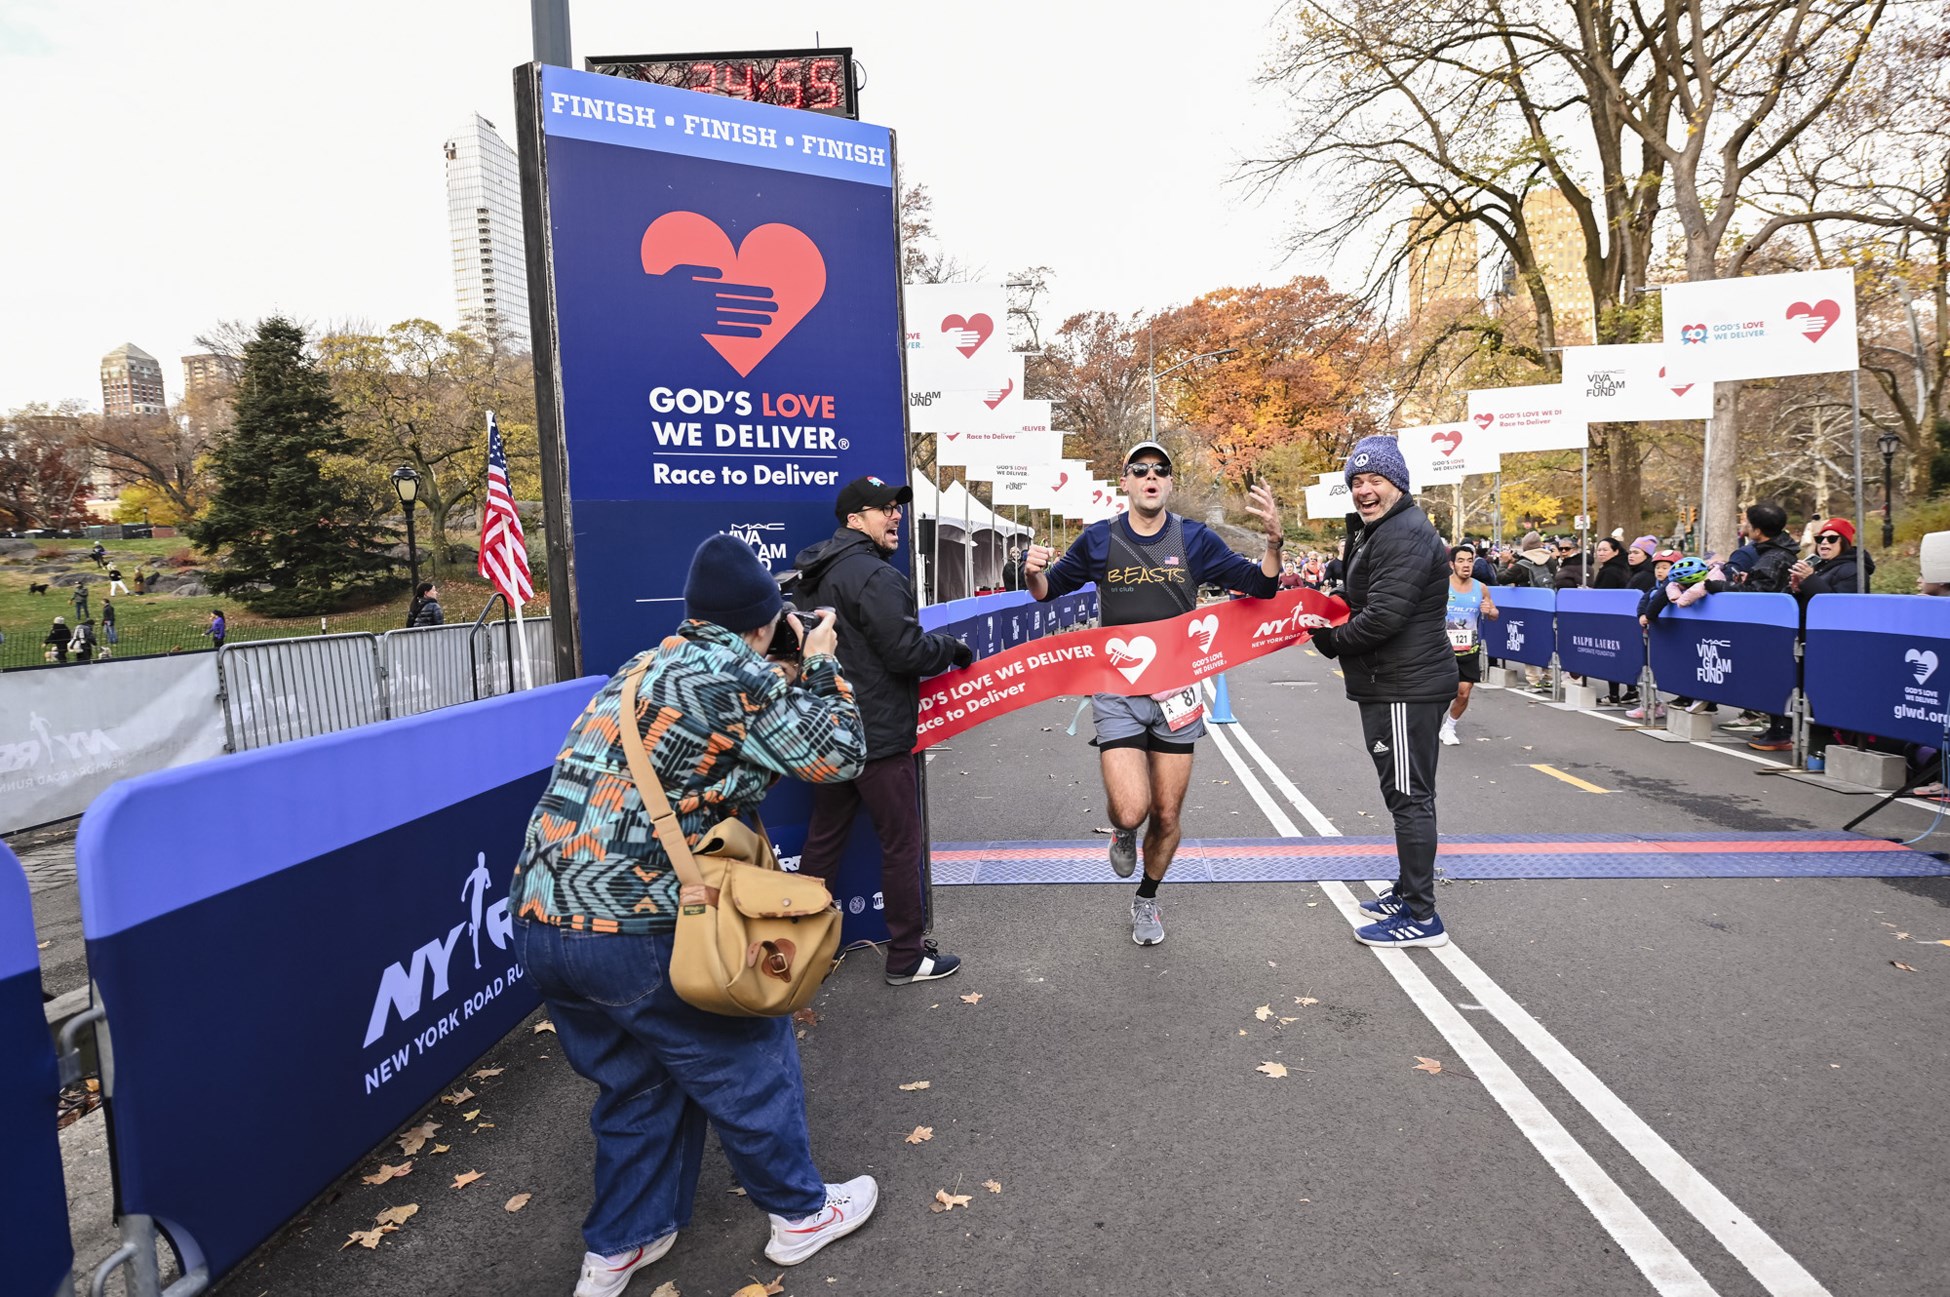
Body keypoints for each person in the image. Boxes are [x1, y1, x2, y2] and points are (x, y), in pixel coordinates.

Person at [509, 534, 877, 1296]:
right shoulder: (739, 673)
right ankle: (801, 1214)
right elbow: (840, 753)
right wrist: (819, 660)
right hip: (633, 925)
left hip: (544, 919)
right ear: (765, 622)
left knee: (637, 1083)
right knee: (748, 1058)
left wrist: (780, 666)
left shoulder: (643, 666)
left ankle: (619, 1247)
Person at [1023, 441, 1284, 946]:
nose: (1150, 476)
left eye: (1160, 470)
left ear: (1168, 483)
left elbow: (1261, 586)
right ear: (1125, 482)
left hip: (1177, 692)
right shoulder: (1099, 538)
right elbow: (1048, 590)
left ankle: (1147, 898)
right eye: (1140, 469)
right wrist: (1033, 572)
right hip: (1117, 689)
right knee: (1131, 810)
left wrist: (1274, 544)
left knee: (1166, 814)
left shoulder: (1195, 539)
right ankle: (1123, 832)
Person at [792, 476, 974, 983]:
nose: (895, 515)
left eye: (896, 507)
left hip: (828, 733)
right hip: (877, 736)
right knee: (901, 844)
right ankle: (907, 957)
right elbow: (907, 652)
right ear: (855, 520)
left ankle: (799, 955)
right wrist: (952, 649)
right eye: (883, 509)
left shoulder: (813, 571)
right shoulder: (876, 575)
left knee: (823, 841)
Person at [1306, 435, 1455, 948]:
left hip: (1404, 685)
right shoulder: (1381, 530)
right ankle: (1408, 892)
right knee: (1404, 794)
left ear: (1399, 484)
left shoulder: (1402, 533)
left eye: (1375, 480)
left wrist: (1329, 640)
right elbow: (1366, 595)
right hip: (1395, 682)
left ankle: (1422, 916)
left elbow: (1383, 618)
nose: (1364, 490)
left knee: (1409, 797)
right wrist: (1331, 603)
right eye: (1357, 481)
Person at [1729, 502, 1800, 750]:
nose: (1743, 525)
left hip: (1774, 630)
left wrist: (1723, 587)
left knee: (1775, 678)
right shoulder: (1774, 553)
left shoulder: (1774, 556)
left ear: (1757, 530)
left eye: (1746, 522)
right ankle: (1776, 727)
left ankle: (1782, 731)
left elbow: (1758, 594)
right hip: (1772, 627)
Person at [1441, 543, 1499, 746]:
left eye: (1469, 561)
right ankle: (1429, 724)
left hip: (1468, 649)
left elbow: (1494, 614)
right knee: (1439, 693)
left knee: (1464, 691)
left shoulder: (1480, 588)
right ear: (1452, 565)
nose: (1466, 565)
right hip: (1442, 649)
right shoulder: (1442, 586)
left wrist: (1489, 611)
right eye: (1461, 561)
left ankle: (1449, 727)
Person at [1589, 537, 1637, 704]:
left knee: (1612, 656)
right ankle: (1631, 690)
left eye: (1605, 550)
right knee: (1622, 656)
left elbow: (1603, 596)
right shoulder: (1624, 567)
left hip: (1610, 620)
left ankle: (1614, 694)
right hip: (1624, 619)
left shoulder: (1609, 571)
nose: (1600, 553)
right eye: (1598, 550)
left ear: (1616, 551)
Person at [1790, 517, 1874, 598]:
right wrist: (1797, 590)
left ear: (1844, 543)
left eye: (1832, 539)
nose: (1824, 542)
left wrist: (1810, 579)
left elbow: (1837, 603)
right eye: (1820, 539)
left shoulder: (1854, 571)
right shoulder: (1816, 566)